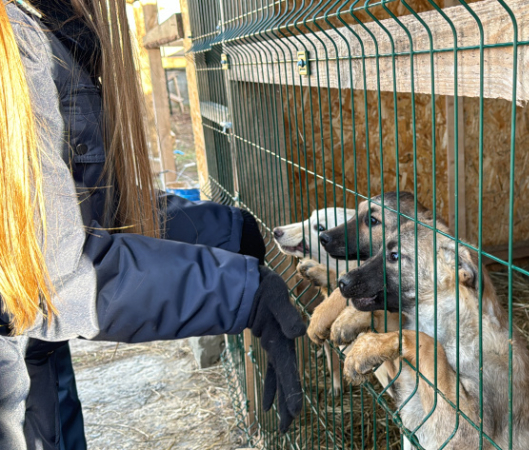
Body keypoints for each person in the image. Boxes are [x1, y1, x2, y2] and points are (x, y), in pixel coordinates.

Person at [0, 1, 306, 448]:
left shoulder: (38, 27)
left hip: (31, 358)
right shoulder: (14, 42)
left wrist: (225, 231)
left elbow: (84, 208)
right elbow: (52, 275)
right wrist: (241, 290)